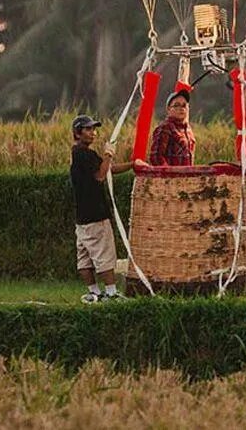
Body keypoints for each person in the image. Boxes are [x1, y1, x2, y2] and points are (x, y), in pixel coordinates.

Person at [70, 114, 135, 303]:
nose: (93, 133)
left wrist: (132, 165)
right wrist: (108, 154)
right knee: (104, 255)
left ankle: (94, 293)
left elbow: (109, 169)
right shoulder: (85, 154)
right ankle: (112, 293)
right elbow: (100, 175)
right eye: (88, 129)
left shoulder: (80, 154)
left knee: (84, 258)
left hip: (81, 218)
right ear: (77, 132)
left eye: (93, 129)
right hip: (95, 215)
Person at [148, 89, 196, 166]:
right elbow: (156, 157)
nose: (181, 108)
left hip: (187, 176)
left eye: (184, 105)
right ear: (168, 109)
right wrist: (169, 173)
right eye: (176, 105)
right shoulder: (165, 127)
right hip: (171, 176)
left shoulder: (188, 129)